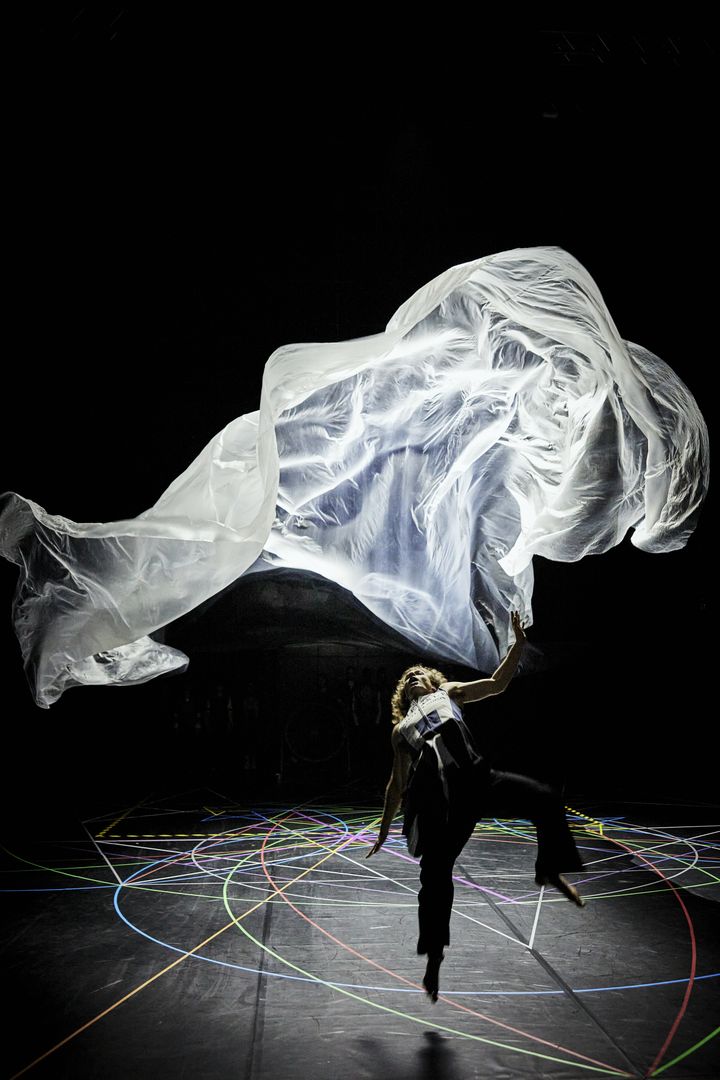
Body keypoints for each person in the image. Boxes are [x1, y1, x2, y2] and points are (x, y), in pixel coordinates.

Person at [366, 613, 585, 1002]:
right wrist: (383, 830)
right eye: (409, 677)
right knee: (434, 876)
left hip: (479, 778)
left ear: (432, 681)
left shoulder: (447, 692)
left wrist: (517, 642)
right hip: (447, 800)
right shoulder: (401, 731)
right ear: (403, 693)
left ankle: (548, 869)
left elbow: (498, 683)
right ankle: (434, 958)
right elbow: (396, 784)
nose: (415, 676)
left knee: (546, 798)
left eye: (420, 673)